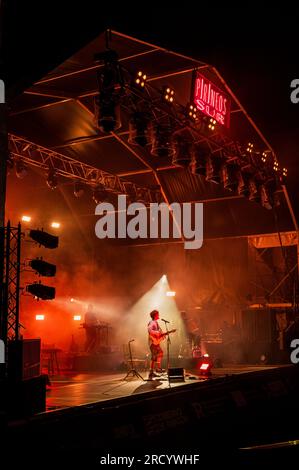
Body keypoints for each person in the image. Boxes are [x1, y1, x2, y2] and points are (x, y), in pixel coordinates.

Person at [147, 310, 165, 380]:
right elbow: (149, 330)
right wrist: (157, 333)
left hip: (156, 342)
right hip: (152, 342)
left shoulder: (156, 322)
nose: (159, 315)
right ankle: (151, 372)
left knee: (160, 353)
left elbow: (159, 332)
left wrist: (162, 334)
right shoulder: (152, 322)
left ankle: (157, 368)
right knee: (154, 357)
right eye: (158, 314)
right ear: (155, 315)